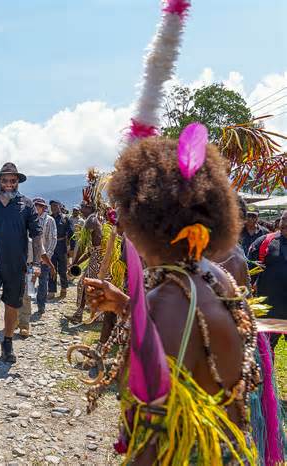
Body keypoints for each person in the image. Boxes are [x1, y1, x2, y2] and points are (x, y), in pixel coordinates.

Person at [86, 136, 261, 464]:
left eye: (123, 213)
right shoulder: (210, 275)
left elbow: (151, 442)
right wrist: (126, 305)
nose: (120, 224)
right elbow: (193, 341)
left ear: (145, 220)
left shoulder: (168, 301)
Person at [0, 162, 43, 365]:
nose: (8, 184)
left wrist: (37, 263)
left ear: (17, 182)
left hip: (16, 264)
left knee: (13, 304)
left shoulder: (27, 204)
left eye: (12, 180)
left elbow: (37, 235)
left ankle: (7, 343)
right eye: (4, 180)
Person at [249, 209, 287, 352]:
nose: (286, 224)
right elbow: (249, 274)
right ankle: (268, 375)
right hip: (270, 311)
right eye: (284, 219)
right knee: (265, 352)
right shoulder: (264, 242)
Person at [69, 173, 104, 324]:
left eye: (83, 205)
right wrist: (77, 263)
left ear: (90, 206)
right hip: (97, 257)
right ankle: (90, 314)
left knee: (85, 284)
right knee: (88, 285)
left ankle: (84, 314)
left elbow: (83, 245)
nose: (81, 208)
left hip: (99, 258)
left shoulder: (91, 220)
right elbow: (90, 250)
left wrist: (73, 263)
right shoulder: (95, 218)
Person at [33, 197, 57, 315]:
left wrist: (48, 256)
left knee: (43, 283)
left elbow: (53, 239)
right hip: (31, 257)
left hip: (44, 258)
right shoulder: (30, 219)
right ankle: (25, 308)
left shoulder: (49, 220)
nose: (37, 207)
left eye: (39, 205)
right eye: (35, 205)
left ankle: (41, 305)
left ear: (43, 207)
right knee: (29, 282)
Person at [47, 200, 74, 300]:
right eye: (52, 206)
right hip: (51, 247)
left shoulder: (65, 219)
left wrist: (72, 248)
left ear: (59, 206)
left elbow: (72, 234)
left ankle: (64, 289)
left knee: (62, 269)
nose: (53, 207)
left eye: (55, 205)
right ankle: (51, 291)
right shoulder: (48, 218)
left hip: (62, 246)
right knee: (51, 268)